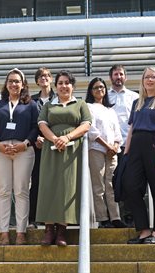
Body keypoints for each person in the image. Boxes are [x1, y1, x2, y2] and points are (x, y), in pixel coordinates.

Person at [36, 70, 91, 246]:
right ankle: (48, 229)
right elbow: (42, 124)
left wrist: (67, 138)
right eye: (60, 83)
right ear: (55, 86)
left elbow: (86, 125)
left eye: (67, 82)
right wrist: (55, 139)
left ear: (72, 86)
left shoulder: (80, 104)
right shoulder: (48, 106)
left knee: (68, 187)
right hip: (50, 149)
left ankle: (62, 230)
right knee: (49, 186)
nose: (63, 86)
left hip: (72, 149)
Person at [0, 68, 38, 245]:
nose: (14, 84)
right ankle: (4, 233)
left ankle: (21, 232)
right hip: (1, 150)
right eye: (11, 81)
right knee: (3, 191)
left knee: (21, 190)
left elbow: (35, 127)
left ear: (23, 84)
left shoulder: (31, 105)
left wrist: (25, 144)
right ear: (6, 84)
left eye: (17, 81)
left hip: (23, 150)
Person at [123, 67, 155, 244]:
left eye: (153, 77)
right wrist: (126, 152)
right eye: (147, 77)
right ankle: (144, 230)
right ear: (142, 80)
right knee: (131, 186)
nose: (150, 80)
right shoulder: (137, 102)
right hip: (135, 145)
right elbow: (131, 129)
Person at [85, 77, 126, 228]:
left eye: (102, 87)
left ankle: (115, 217)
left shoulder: (111, 110)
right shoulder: (88, 107)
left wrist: (114, 146)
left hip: (112, 152)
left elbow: (117, 133)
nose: (99, 90)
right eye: (96, 87)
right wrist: (107, 146)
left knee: (111, 184)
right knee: (99, 185)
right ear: (91, 91)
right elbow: (92, 131)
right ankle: (103, 218)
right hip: (96, 150)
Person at [108, 64, 138, 227]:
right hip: (109, 146)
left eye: (120, 74)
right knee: (110, 181)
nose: (118, 77)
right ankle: (112, 217)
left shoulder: (134, 96)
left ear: (125, 77)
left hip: (129, 144)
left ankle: (129, 215)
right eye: (115, 74)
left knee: (129, 181)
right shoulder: (105, 96)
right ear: (110, 77)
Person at [29, 67, 55, 229]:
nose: (44, 78)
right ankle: (34, 218)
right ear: (37, 81)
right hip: (36, 147)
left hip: (54, 147)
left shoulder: (58, 98)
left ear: (51, 79)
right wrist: (35, 139)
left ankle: (52, 218)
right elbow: (28, 123)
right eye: (40, 76)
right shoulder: (31, 100)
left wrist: (50, 139)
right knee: (36, 182)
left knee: (54, 183)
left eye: (47, 76)